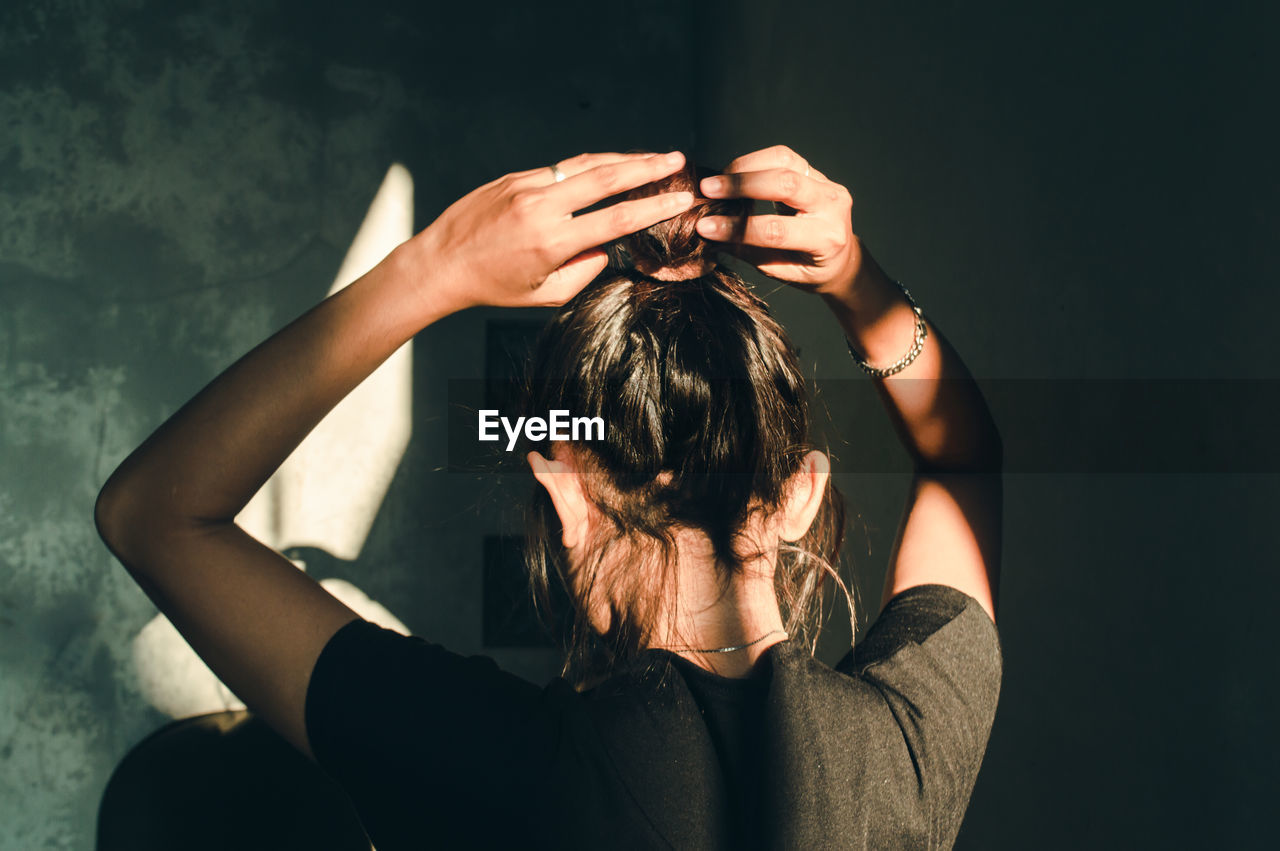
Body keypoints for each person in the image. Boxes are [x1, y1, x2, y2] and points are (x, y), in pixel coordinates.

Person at [96, 146, 1003, 849]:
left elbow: (152, 514)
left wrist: (434, 267)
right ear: (801, 493)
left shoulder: (491, 769)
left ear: (566, 491)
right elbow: (963, 464)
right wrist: (857, 277)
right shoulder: (908, 754)